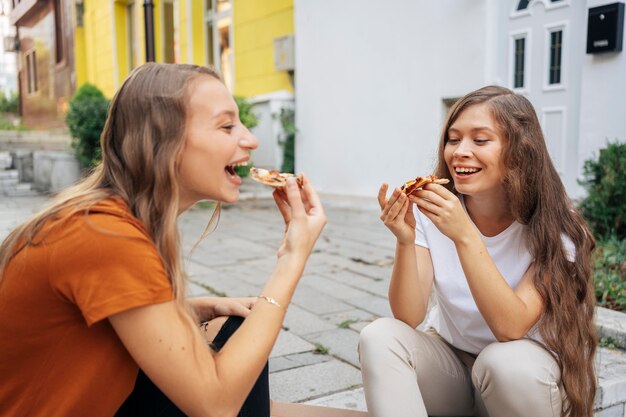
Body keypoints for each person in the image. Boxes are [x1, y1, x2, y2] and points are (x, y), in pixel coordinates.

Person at [0, 63, 326, 417]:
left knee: (236, 331)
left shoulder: (112, 221)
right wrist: (292, 256)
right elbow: (217, 405)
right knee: (237, 352)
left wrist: (186, 308)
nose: (250, 139)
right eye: (227, 125)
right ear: (164, 142)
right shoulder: (103, 236)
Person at [359, 86, 596, 417]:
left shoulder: (556, 228)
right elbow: (409, 315)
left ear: (519, 151)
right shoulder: (435, 213)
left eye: (480, 140)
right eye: (453, 139)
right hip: (451, 372)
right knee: (380, 336)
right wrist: (405, 240)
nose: (459, 152)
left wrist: (465, 236)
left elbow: (510, 327)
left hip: (521, 380)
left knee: (503, 362)